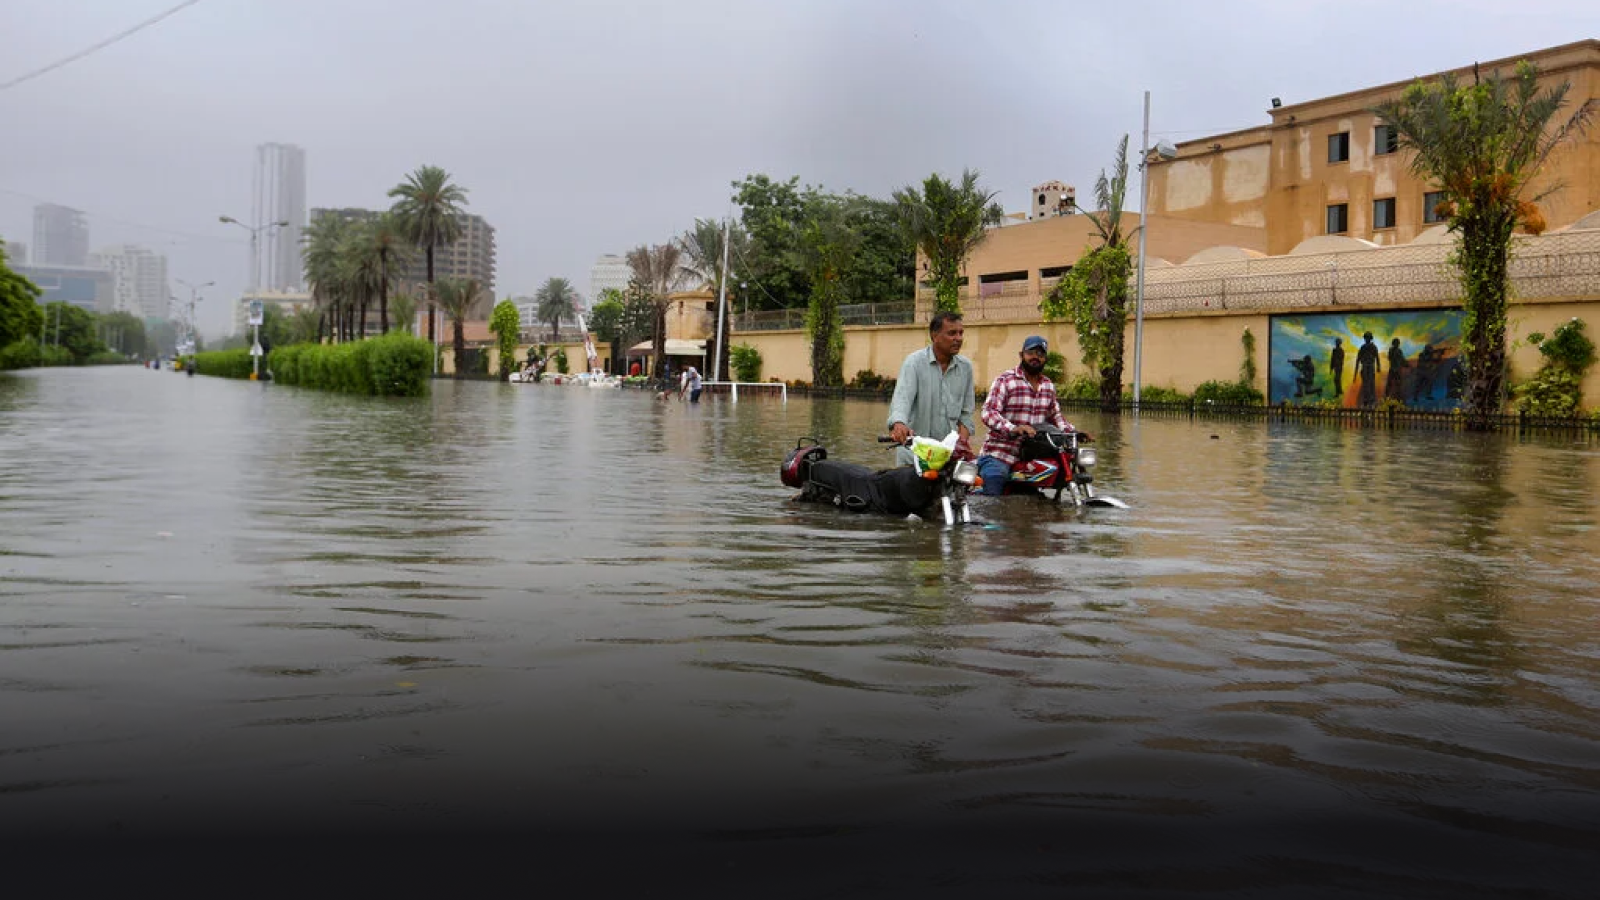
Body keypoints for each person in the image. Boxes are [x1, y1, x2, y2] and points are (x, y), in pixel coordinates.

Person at [974, 335, 1072, 495]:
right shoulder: (1006, 380)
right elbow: (988, 413)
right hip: (1000, 452)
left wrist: (1072, 432)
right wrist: (1013, 428)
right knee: (995, 480)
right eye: (1031, 352)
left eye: (1040, 354)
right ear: (1021, 355)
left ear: (1045, 359)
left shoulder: (1048, 385)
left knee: (1056, 474)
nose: (1036, 357)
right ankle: (987, 517)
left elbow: (1056, 416)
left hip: (1033, 454)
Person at [886, 312, 975, 468]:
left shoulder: (965, 367)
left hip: (948, 457)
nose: (959, 338)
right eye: (952, 333)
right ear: (935, 336)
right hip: (914, 454)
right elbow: (902, 400)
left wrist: (962, 443)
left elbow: (966, 413)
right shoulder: (914, 363)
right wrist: (899, 424)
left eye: (961, 333)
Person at [1356, 331, 1380, 408]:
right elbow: (1358, 359)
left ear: (1370, 338)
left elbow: (1377, 357)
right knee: (1365, 384)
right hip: (1365, 367)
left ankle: (1372, 401)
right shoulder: (1362, 347)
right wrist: (1355, 372)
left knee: (1371, 384)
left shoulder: (1373, 347)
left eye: (1368, 337)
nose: (1367, 339)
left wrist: (1378, 367)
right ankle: (1366, 400)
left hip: (1371, 367)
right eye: (1366, 337)